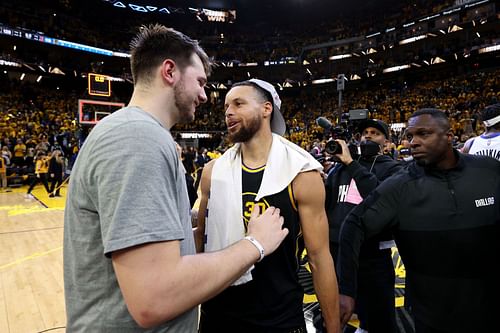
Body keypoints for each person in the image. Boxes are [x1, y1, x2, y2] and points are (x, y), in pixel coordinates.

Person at [63, 24, 289, 333]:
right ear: (169, 71)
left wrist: (186, 220)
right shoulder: (138, 138)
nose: (205, 95)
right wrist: (255, 243)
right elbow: (155, 297)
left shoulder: (133, 132)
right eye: (200, 82)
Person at [195, 79, 340, 333]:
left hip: (279, 319)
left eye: (239, 103)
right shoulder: (211, 171)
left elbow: (319, 259)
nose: (228, 111)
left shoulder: (301, 172)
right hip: (218, 314)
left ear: (266, 109)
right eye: (227, 106)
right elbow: (201, 244)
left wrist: (334, 327)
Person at [337, 108, 499, 332]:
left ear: (449, 137)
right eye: (410, 136)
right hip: (432, 315)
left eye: (424, 134)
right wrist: (346, 289)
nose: (413, 142)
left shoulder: (489, 171)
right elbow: (353, 226)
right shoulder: (400, 186)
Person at [325, 119, 403, 333]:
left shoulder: (393, 168)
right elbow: (327, 207)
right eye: (364, 132)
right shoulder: (338, 170)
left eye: (375, 133)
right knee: (338, 314)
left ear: (386, 142)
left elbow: (381, 200)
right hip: (338, 254)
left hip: (372, 256)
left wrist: (352, 164)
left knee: (379, 319)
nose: (368, 136)